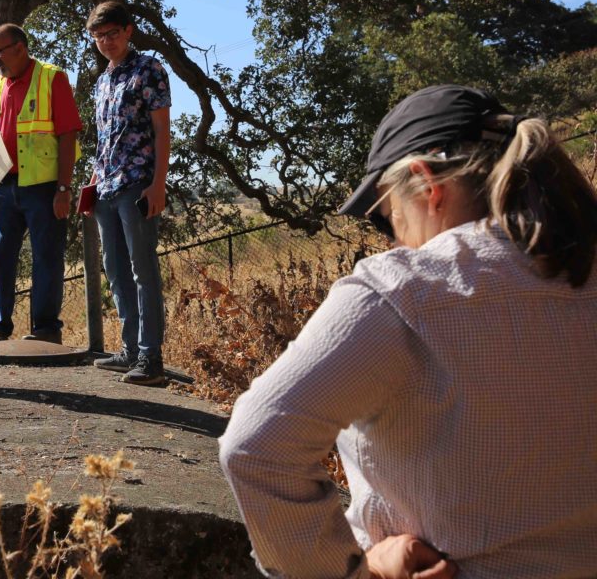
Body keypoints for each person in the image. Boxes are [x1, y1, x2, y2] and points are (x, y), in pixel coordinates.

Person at [219, 84, 597, 578]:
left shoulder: (401, 292)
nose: (392, 236)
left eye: (383, 216)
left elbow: (255, 448)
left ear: (424, 184)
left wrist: (353, 572)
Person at [0, 23, 83, 344]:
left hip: (44, 187)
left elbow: (68, 135)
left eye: (0, 51)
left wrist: (64, 189)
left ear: (20, 48)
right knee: (0, 255)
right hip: (4, 185)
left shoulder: (53, 78)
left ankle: (46, 330)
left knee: (46, 257)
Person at [85, 1, 172, 386]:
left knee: (142, 269)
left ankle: (151, 357)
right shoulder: (102, 80)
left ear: (129, 31)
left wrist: (158, 183)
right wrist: (90, 183)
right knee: (116, 270)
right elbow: (104, 139)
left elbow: (162, 131)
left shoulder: (149, 69)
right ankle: (130, 350)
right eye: (99, 36)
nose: (107, 42)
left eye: (112, 34)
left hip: (137, 182)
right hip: (105, 186)